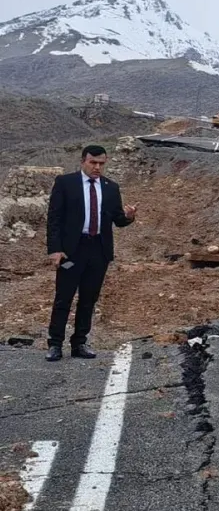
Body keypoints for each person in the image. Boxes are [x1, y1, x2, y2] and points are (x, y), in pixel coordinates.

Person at [44, 145, 137, 361]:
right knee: (63, 298)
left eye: (101, 164)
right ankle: (55, 344)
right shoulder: (65, 183)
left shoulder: (111, 187)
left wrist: (129, 216)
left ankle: (79, 343)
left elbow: (118, 220)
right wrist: (55, 249)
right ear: (83, 161)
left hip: (98, 251)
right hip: (71, 253)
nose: (97, 167)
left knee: (88, 299)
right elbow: (54, 219)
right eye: (93, 163)